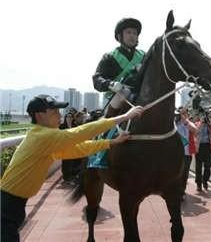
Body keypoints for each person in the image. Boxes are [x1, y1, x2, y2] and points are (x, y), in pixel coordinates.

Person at [0, 94, 143, 242]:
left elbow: (79, 148)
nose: (59, 115)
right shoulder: (43, 137)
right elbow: (80, 132)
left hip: (13, 201)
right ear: (40, 116)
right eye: (54, 112)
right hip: (7, 203)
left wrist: (112, 142)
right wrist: (123, 117)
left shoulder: (46, 140)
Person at [92, 17, 145, 112]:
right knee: (124, 93)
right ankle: (110, 125)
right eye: (128, 32)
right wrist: (111, 84)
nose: (132, 36)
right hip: (118, 96)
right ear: (120, 36)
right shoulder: (110, 57)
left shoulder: (144, 55)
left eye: (135, 33)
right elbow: (97, 79)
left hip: (142, 94)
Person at [175, 107, 197, 197]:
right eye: (181, 113)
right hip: (176, 154)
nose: (182, 115)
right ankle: (176, 190)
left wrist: (185, 121)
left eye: (185, 113)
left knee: (184, 174)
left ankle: (182, 192)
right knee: (176, 174)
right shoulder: (174, 124)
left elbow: (195, 130)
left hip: (187, 154)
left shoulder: (189, 123)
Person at [195, 110, 211, 192]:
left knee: (208, 165)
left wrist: (209, 121)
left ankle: (205, 181)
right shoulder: (197, 124)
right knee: (198, 167)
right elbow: (195, 131)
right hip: (199, 147)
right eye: (202, 116)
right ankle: (198, 184)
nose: (203, 117)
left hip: (208, 146)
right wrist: (201, 123)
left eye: (205, 116)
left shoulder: (209, 125)